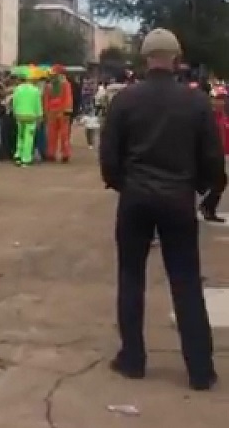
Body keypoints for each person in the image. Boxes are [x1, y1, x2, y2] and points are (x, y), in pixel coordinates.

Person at [100, 28, 223, 391]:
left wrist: (124, 184)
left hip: (136, 196)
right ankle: (200, 369)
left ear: (145, 58)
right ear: (176, 59)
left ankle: (133, 358)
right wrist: (198, 187)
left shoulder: (125, 100)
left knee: (131, 277)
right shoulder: (196, 102)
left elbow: (109, 156)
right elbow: (213, 159)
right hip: (178, 197)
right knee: (185, 281)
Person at [199, 85, 229, 223]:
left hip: (220, 153)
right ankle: (207, 207)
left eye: (223, 99)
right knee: (220, 181)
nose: (220, 103)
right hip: (212, 153)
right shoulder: (210, 117)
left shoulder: (224, 117)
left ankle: (207, 207)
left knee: (220, 181)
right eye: (217, 99)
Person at [44, 65, 73, 162]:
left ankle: (64, 154)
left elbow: (67, 98)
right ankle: (52, 153)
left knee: (63, 134)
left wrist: (65, 111)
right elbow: (46, 100)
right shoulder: (51, 85)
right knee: (52, 134)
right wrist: (47, 112)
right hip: (54, 112)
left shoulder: (64, 84)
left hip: (61, 112)